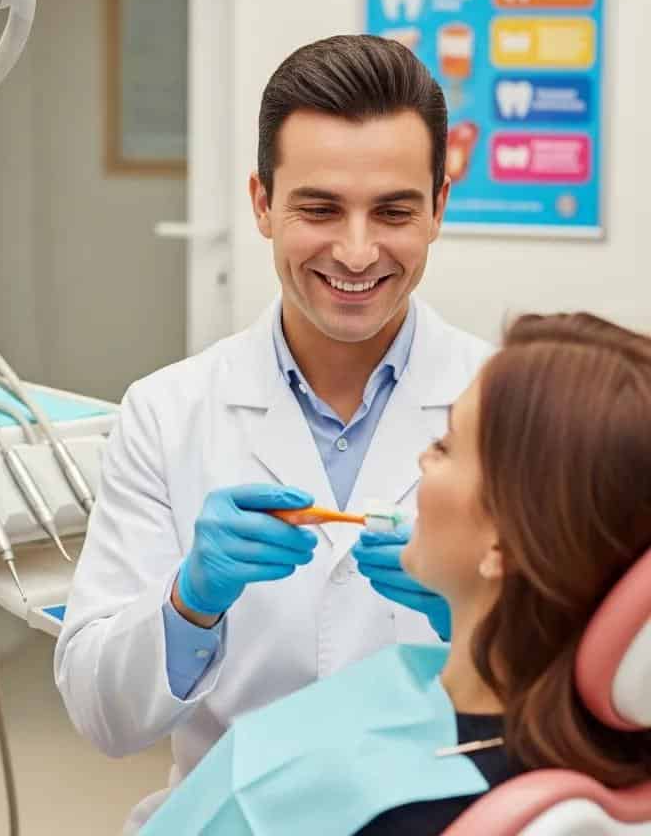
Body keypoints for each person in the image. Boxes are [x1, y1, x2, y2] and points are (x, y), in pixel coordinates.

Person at [54, 34, 492, 832]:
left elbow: (593, 693)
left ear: (438, 208)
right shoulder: (166, 413)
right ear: (262, 204)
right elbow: (102, 715)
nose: (356, 251)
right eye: (319, 209)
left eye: (393, 211)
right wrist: (188, 603)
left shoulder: (509, 408)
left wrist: (471, 622)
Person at [141, 312, 651, 834]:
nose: (423, 458)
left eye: (446, 446)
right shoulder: (602, 753)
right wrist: (188, 606)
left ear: (503, 542)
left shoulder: (390, 813)